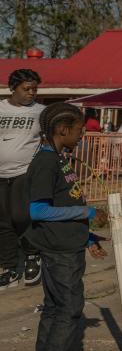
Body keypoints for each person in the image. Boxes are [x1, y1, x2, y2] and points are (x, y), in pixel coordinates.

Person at [25, 103, 106, 351]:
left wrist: (87, 237)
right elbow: (38, 210)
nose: (83, 134)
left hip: (69, 245)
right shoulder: (46, 162)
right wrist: (87, 211)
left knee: (56, 307)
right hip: (58, 251)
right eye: (79, 129)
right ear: (62, 129)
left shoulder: (59, 159)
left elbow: (63, 204)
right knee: (68, 309)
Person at [1, 68, 45, 289]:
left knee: (21, 216)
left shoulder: (41, 112)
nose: (31, 93)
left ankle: (32, 255)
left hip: (25, 171)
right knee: (3, 221)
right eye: (26, 89)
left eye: (34, 89)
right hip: (0, 175)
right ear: (12, 88)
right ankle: (9, 267)